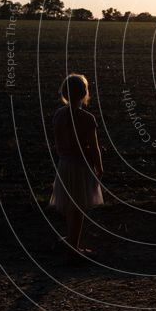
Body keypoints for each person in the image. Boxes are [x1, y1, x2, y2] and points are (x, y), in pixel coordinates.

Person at [50, 74, 104, 265]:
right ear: (84, 93)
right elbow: (94, 147)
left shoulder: (58, 114)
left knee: (70, 206)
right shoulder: (87, 118)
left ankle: (72, 243)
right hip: (81, 167)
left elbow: (57, 143)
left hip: (64, 165)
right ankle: (74, 250)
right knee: (79, 208)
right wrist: (99, 167)